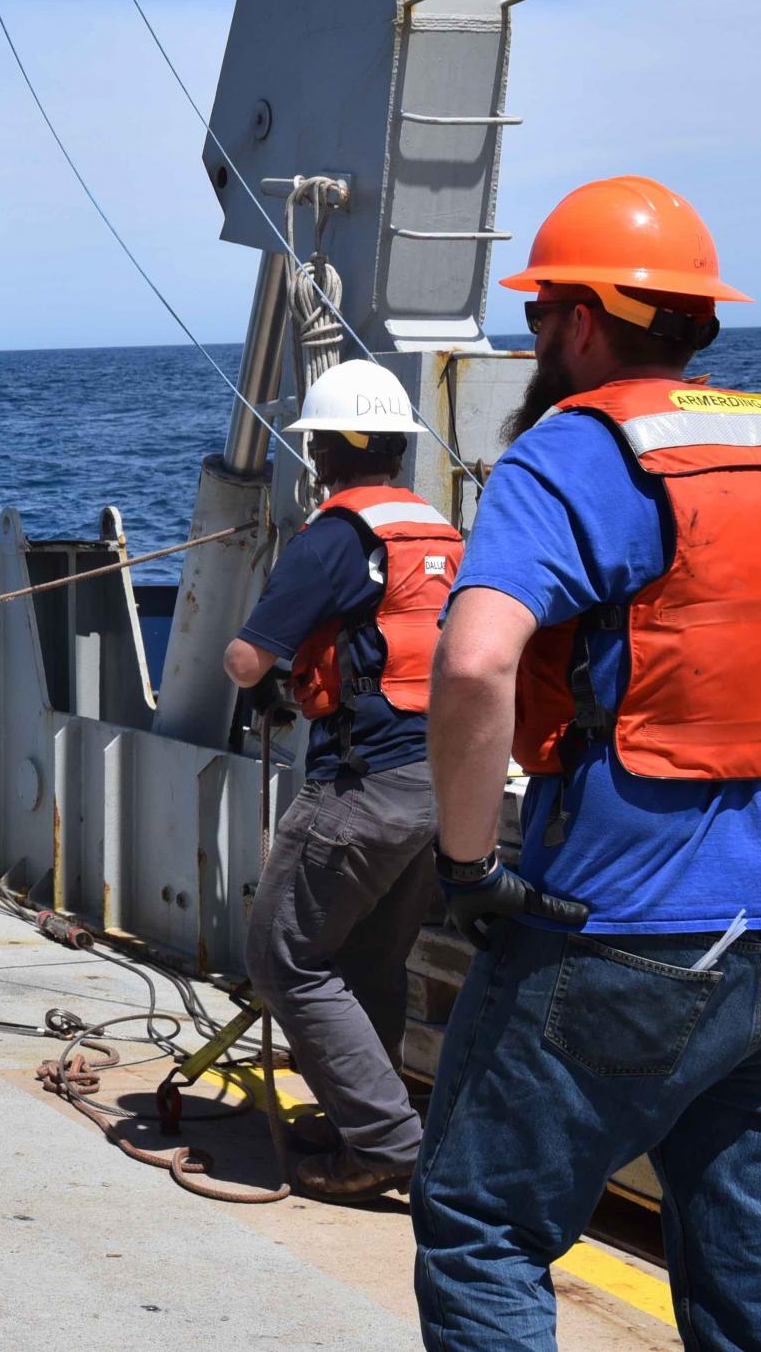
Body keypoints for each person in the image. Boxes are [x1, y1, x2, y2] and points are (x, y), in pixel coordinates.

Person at [417, 176, 761, 1348]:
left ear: (577, 319)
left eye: (539, 318)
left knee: (482, 1223)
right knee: (744, 1260)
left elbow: (473, 665)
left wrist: (468, 865)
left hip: (625, 924)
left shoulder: (580, 452)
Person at [222, 359, 459, 1201]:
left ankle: (389, 1139)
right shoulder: (434, 528)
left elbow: (249, 654)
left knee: (282, 953)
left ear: (322, 450)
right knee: (370, 962)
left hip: (362, 787)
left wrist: (261, 680)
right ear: (397, 444)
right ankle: (362, 1121)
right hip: (442, 783)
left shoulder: (335, 535)